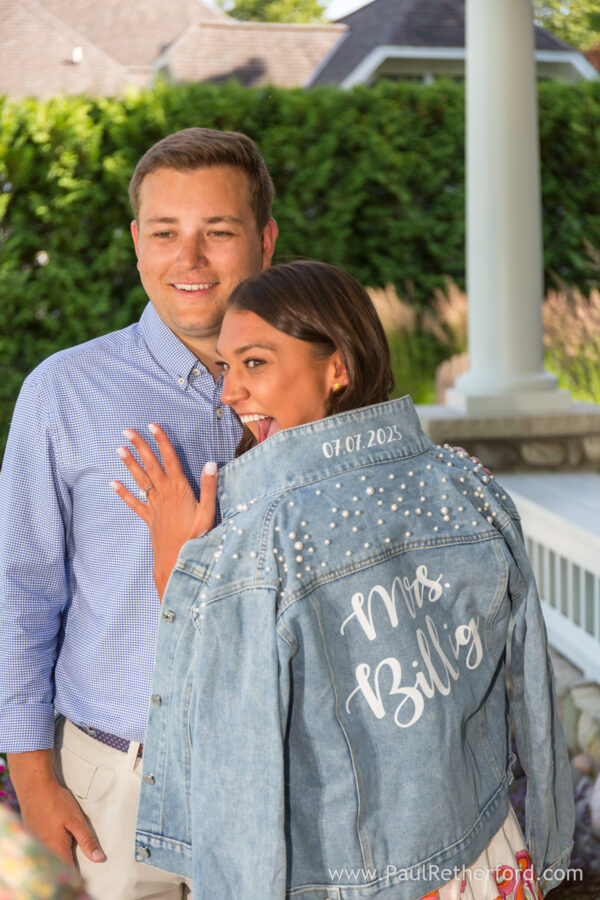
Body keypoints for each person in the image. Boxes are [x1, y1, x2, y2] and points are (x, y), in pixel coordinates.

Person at [115, 261, 574, 900]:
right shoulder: (465, 481)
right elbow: (532, 682)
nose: (229, 393)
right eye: (226, 368)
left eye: (254, 363)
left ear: (338, 367)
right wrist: (550, 843)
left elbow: (236, 769)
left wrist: (184, 579)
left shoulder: (262, 541)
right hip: (490, 851)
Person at [0, 126, 278, 900]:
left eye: (217, 233)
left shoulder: (315, 391)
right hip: (107, 787)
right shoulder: (63, 393)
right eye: (165, 233)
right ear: (135, 242)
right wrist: (32, 779)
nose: (188, 260)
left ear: (264, 240)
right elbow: (17, 592)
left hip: (273, 785)